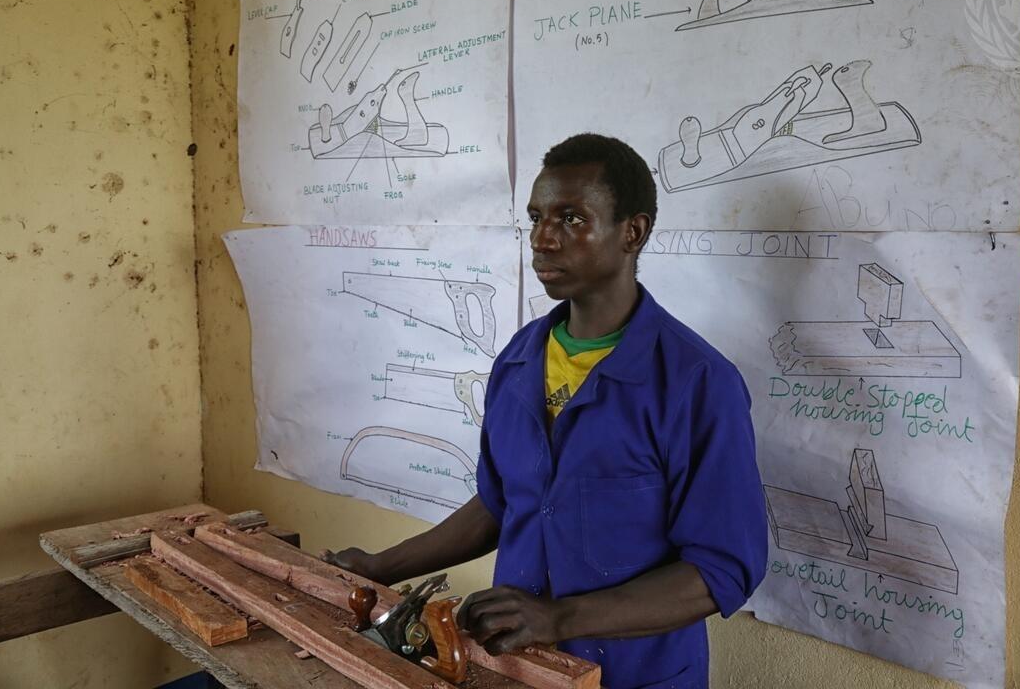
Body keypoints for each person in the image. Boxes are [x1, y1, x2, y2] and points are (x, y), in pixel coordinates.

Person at [324, 133, 768, 689]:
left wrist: (559, 618)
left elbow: (721, 569)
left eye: (572, 219)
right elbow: (500, 502)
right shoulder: (520, 360)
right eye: (536, 218)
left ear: (633, 232)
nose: (543, 239)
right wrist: (379, 567)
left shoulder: (696, 382)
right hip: (517, 669)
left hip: (633, 676)